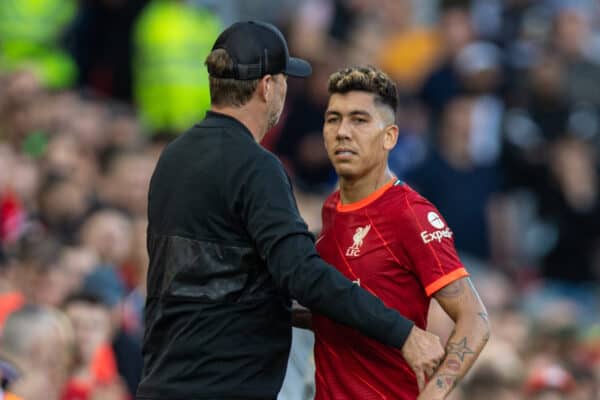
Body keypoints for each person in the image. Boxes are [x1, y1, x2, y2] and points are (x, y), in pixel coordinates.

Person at [138, 21, 444, 400]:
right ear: (268, 87)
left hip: (164, 380)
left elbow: (214, 282)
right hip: (222, 386)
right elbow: (301, 275)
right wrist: (403, 333)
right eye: (285, 80)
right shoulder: (254, 166)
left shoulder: (174, 157)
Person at [307, 66, 491, 399]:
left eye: (359, 120)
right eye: (333, 119)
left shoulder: (410, 214)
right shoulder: (331, 209)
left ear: (390, 136)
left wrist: (435, 393)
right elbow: (340, 311)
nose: (342, 132)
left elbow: (475, 318)